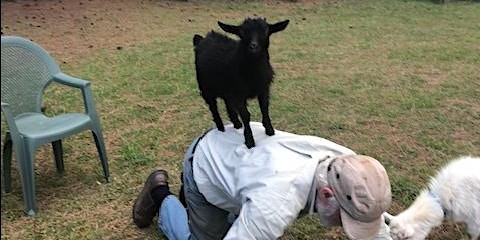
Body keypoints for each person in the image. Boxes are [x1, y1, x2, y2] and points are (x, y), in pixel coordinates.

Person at [132, 122, 392, 240]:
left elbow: (371, 216)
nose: (341, 227)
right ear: (326, 194)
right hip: (206, 165)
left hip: (239, 157)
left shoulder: (348, 165)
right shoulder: (276, 203)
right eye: (344, 220)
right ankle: (160, 194)